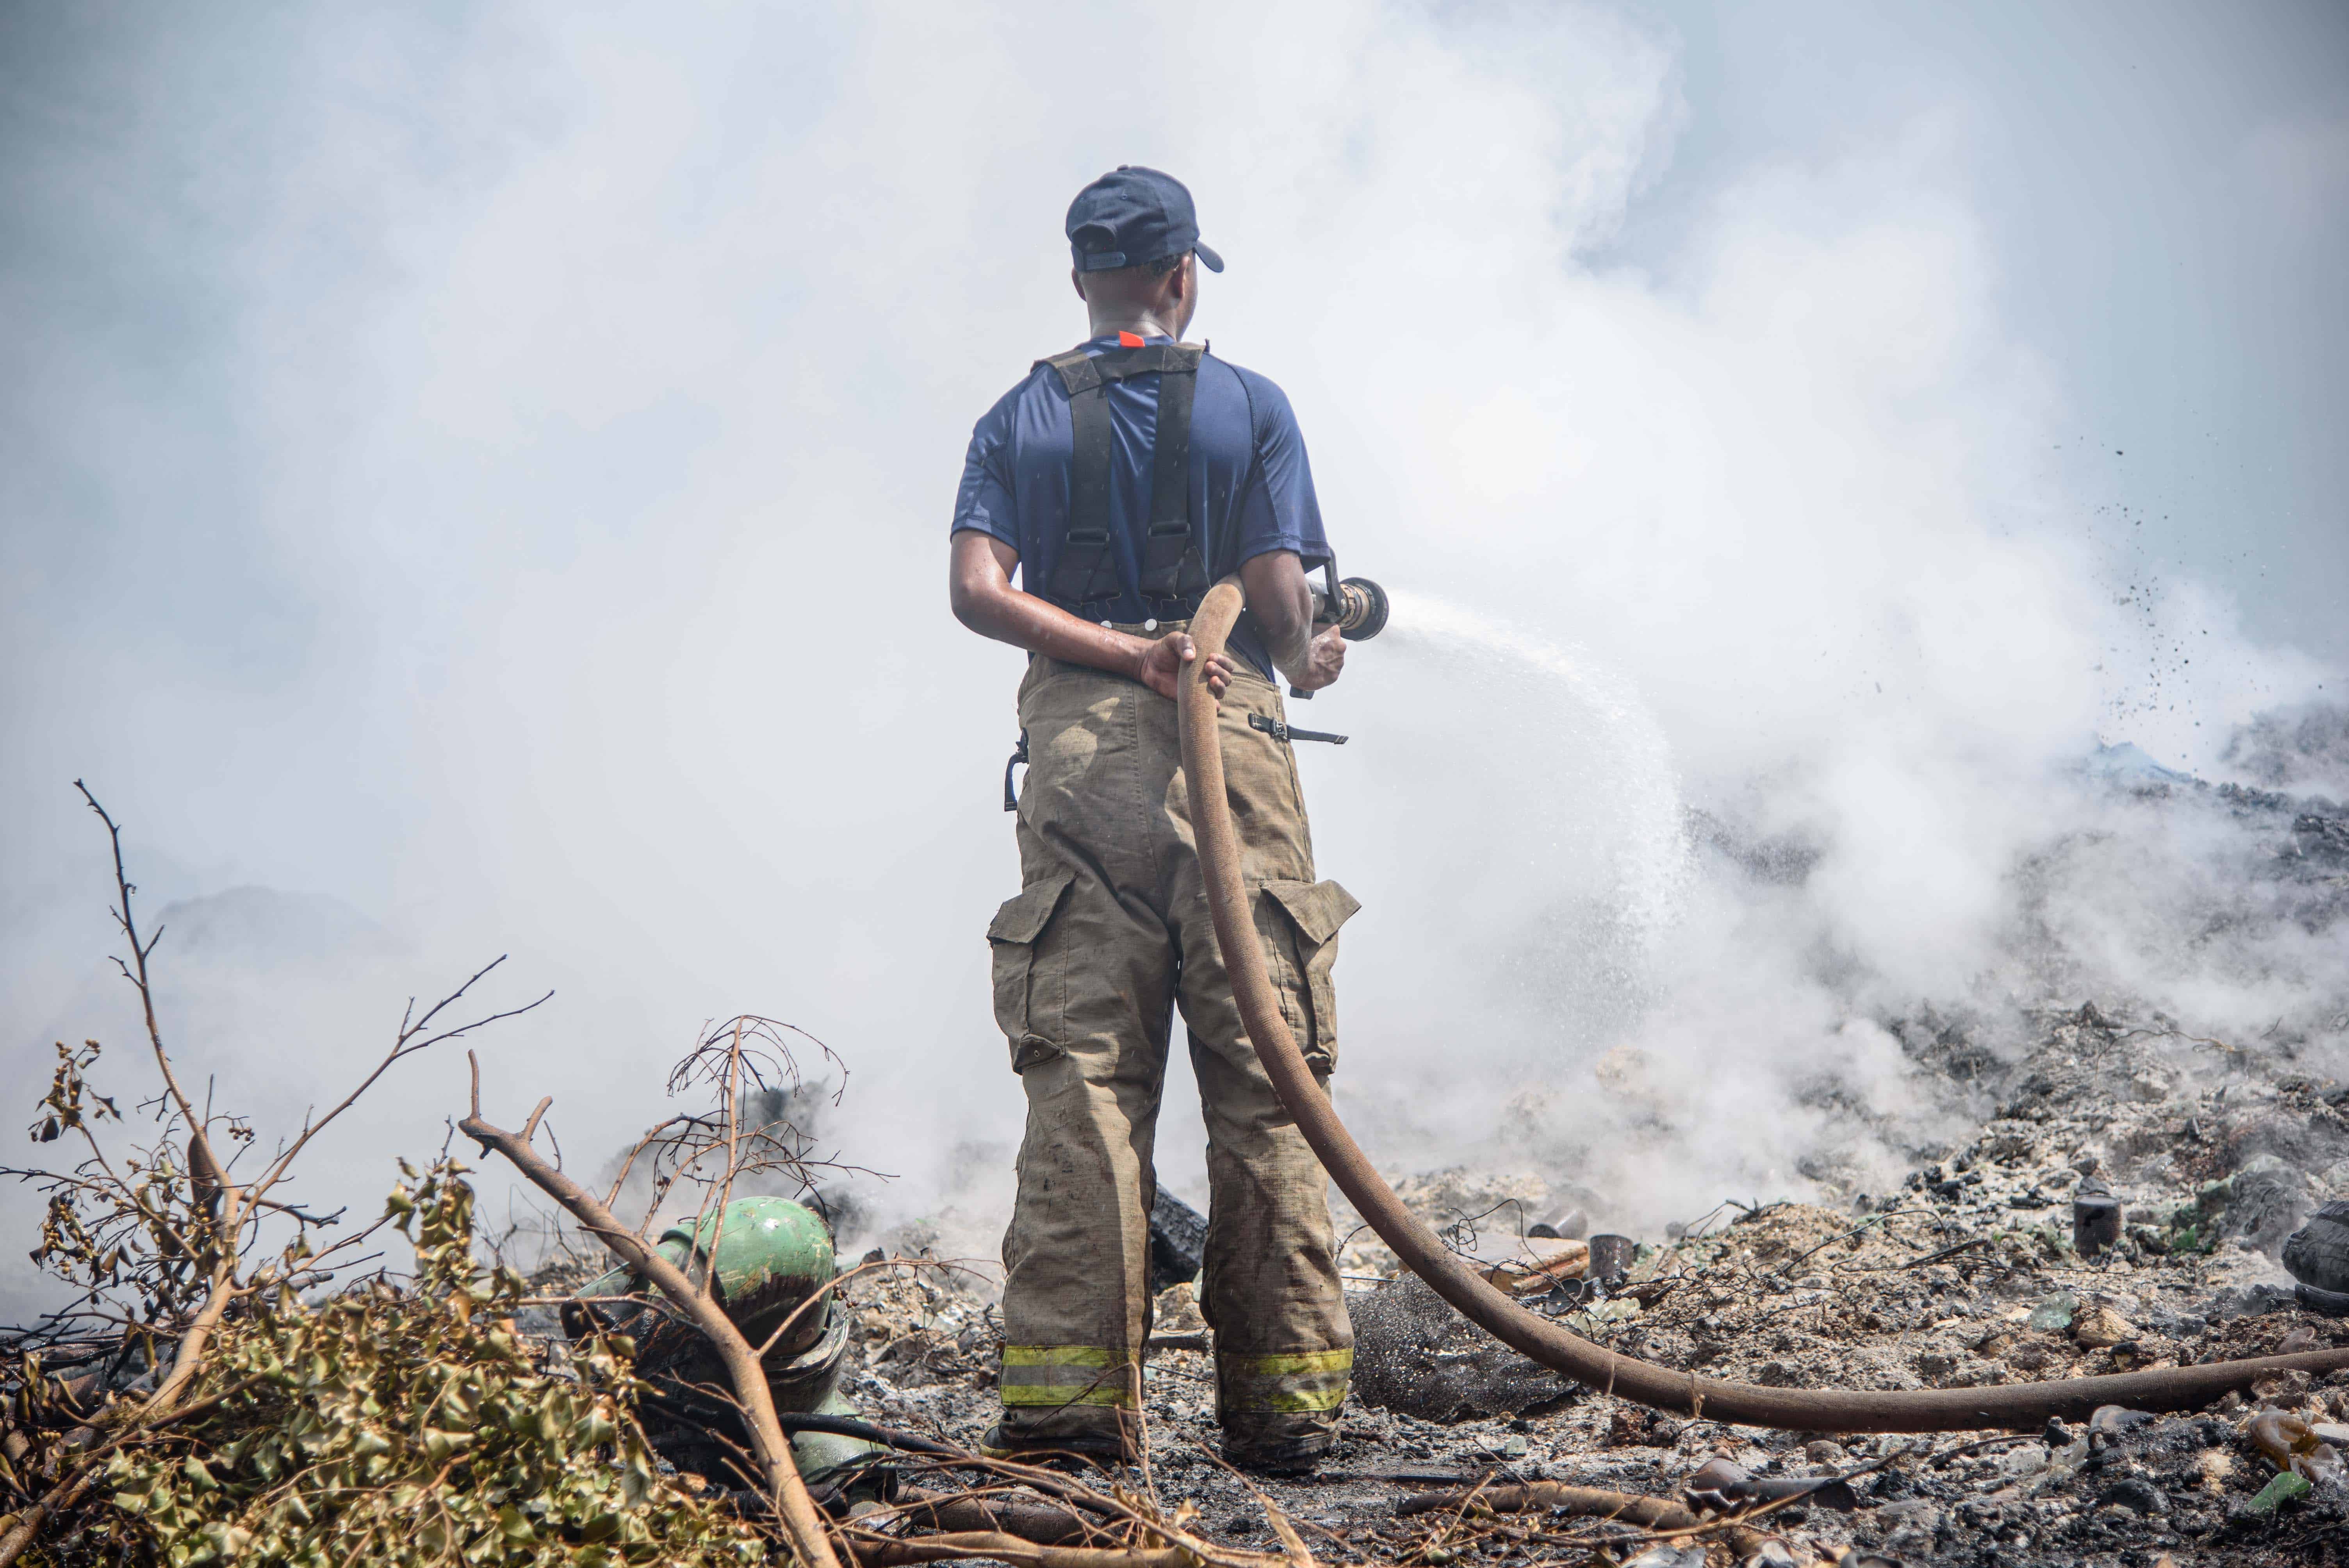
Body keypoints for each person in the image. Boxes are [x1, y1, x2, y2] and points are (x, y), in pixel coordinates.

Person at [947, 166, 1359, 1474]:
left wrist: (1116, 662)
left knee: (1085, 1085)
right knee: (1267, 1077)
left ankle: (1070, 1425)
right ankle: (1287, 1419)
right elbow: (1283, 614)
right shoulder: (1250, 407)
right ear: (1184, 276)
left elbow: (974, 589)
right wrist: (1311, 653)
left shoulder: (1020, 416)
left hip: (1078, 753)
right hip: (1225, 739)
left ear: (1083, 279)